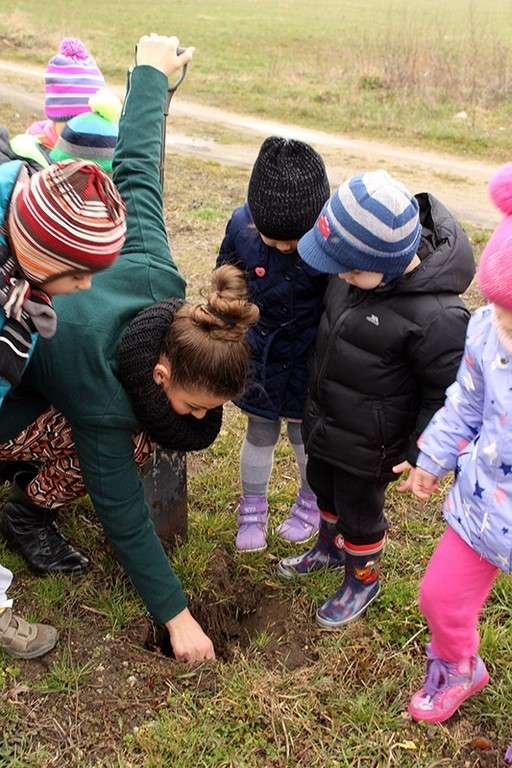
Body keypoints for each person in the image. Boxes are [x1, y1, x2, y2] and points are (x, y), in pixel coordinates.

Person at [0, 34, 258, 664]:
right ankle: (26, 511)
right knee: (135, 444)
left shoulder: (156, 275)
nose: (201, 418)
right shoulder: (102, 401)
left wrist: (150, 76)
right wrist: (177, 617)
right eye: (196, 406)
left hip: (30, 369)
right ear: (162, 371)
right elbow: (123, 512)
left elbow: (138, 170)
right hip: (9, 400)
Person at [278, 169, 475, 629]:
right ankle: (329, 547)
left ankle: (362, 578)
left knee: (359, 511)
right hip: (328, 420)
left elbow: (446, 392)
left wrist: (422, 450)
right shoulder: (353, 274)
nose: (340, 276)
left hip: (373, 444)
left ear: (386, 264)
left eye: (349, 270)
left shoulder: (438, 317)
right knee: (322, 484)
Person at [407, 164, 512, 724]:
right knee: (439, 596)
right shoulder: (486, 331)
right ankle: (458, 665)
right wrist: (433, 457)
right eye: (499, 308)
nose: (503, 325)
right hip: (483, 505)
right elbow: (466, 403)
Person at [217, 137, 330, 551]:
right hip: (261, 355)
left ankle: (311, 502)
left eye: (294, 241)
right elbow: (226, 272)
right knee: (259, 431)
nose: (283, 247)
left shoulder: (331, 242)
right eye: (272, 239)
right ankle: (252, 509)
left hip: (309, 359)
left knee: (305, 437)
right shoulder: (241, 227)